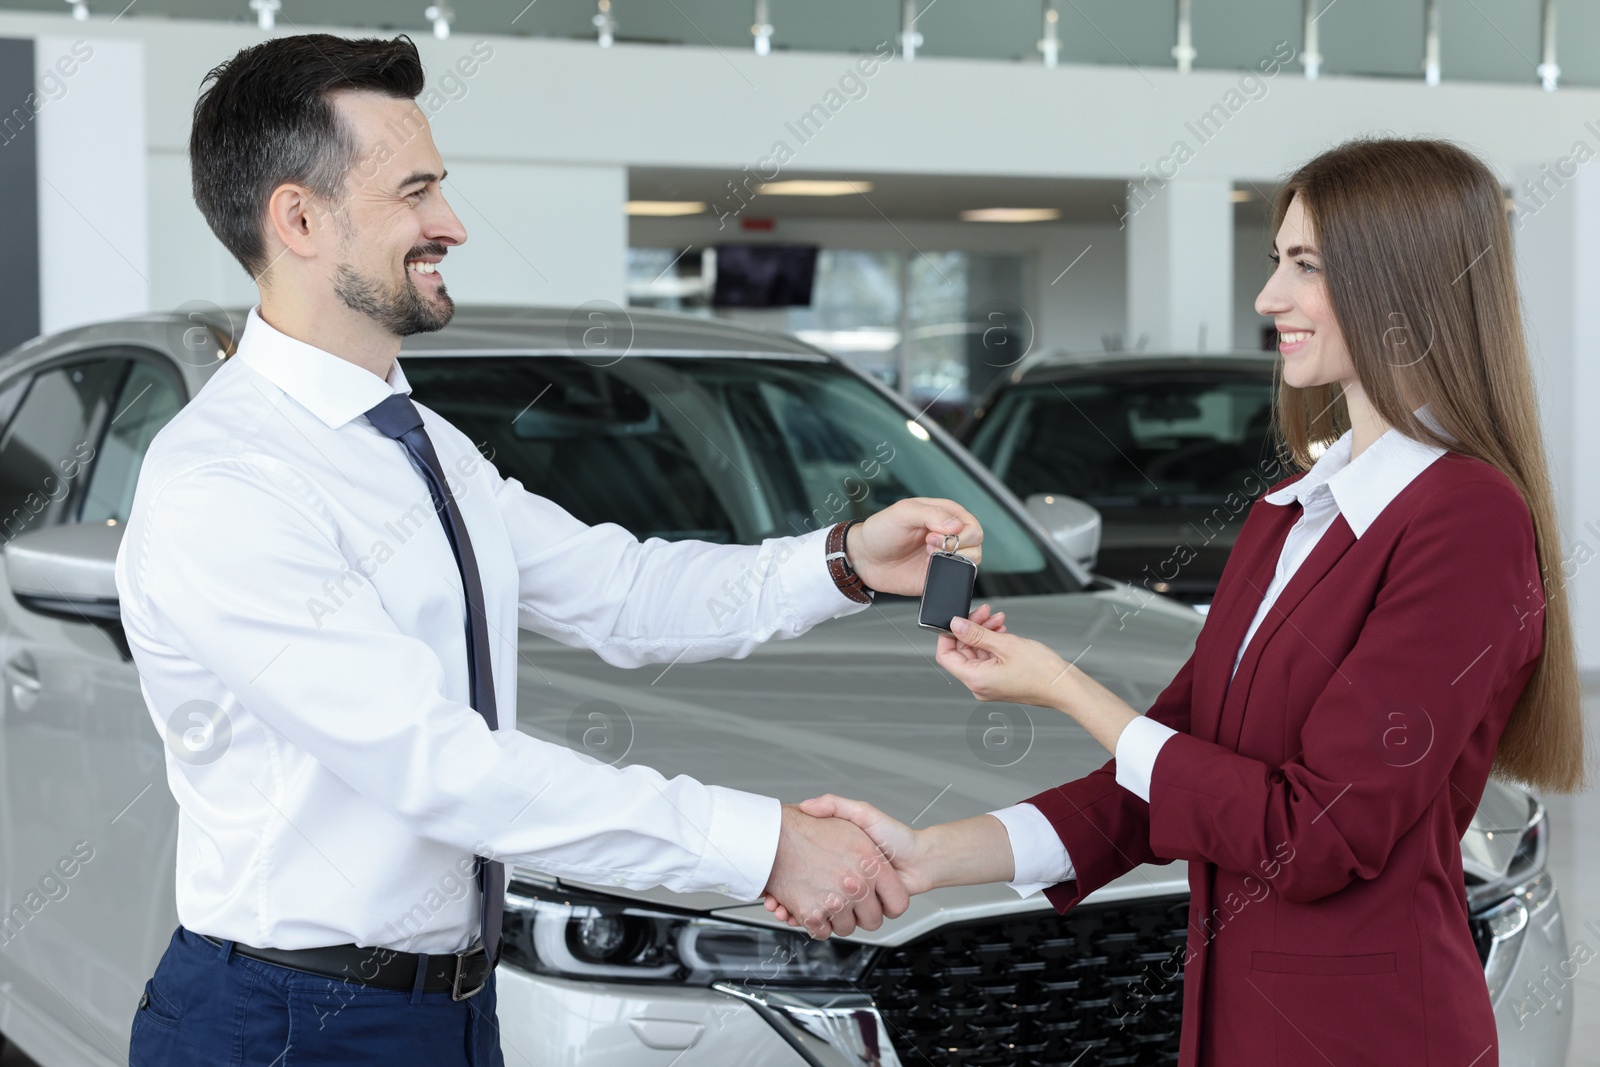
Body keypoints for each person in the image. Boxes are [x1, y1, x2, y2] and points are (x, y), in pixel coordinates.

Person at [117, 34, 983, 1067]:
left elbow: (618, 589)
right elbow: (442, 766)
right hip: (294, 1024)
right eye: (415, 193)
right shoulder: (227, 483)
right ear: (299, 218)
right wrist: (765, 842)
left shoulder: (419, 441)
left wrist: (840, 559)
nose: (453, 224)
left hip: (450, 1008)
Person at [767, 137, 1586, 1065]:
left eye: (1304, 266)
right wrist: (930, 856)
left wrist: (1068, 689)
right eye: (1276, 260)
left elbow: (1312, 835)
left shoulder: (1466, 520)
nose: (1268, 297)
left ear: (1400, 286)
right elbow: (1156, 787)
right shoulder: (1291, 518)